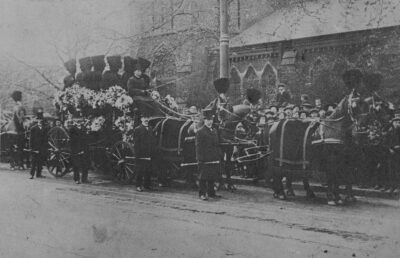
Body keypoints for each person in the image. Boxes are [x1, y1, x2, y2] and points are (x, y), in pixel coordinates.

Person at [195, 109, 222, 200]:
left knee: (212, 176)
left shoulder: (214, 131)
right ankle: (202, 194)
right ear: (204, 121)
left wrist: (218, 155)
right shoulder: (200, 131)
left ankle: (211, 193)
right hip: (204, 159)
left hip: (213, 157)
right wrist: (200, 159)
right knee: (203, 177)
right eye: (207, 120)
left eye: (211, 120)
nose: (209, 122)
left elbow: (217, 144)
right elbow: (198, 147)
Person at [133, 113, 156, 191]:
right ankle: (138, 186)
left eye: (147, 118)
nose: (146, 119)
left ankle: (147, 185)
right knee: (140, 170)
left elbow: (152, 141)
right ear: (141, 119)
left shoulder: (150, 128)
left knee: (148, 170)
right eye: (144, 118)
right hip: (141, 153)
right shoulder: (137, 129)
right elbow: (136, 143)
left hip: (149, 153)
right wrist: (138, 155)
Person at [68, 119, 89, 184]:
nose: (79, 123)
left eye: (80, 122)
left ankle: (84, 179)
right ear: (75, 122)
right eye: (77, 122)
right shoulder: (72, 129)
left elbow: (86, 139)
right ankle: (76, 179)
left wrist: (84, 149)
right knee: (76, 165)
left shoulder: (84, 128)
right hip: (75, 149)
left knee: (85, 165)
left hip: (83, 148)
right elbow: (72, 140)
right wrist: (77, 150)